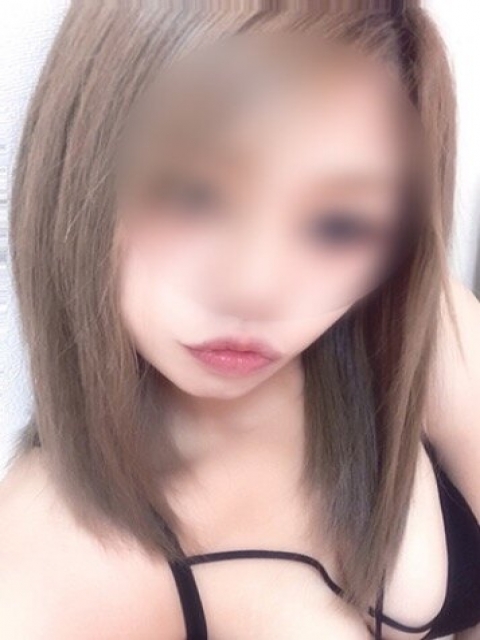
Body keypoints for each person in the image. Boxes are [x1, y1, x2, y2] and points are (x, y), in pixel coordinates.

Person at [2, 1, 480, 638]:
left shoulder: (413, 325)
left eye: (338, 224)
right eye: (191, 196)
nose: (256, 288)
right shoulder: (56, 576)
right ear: (78, 172)